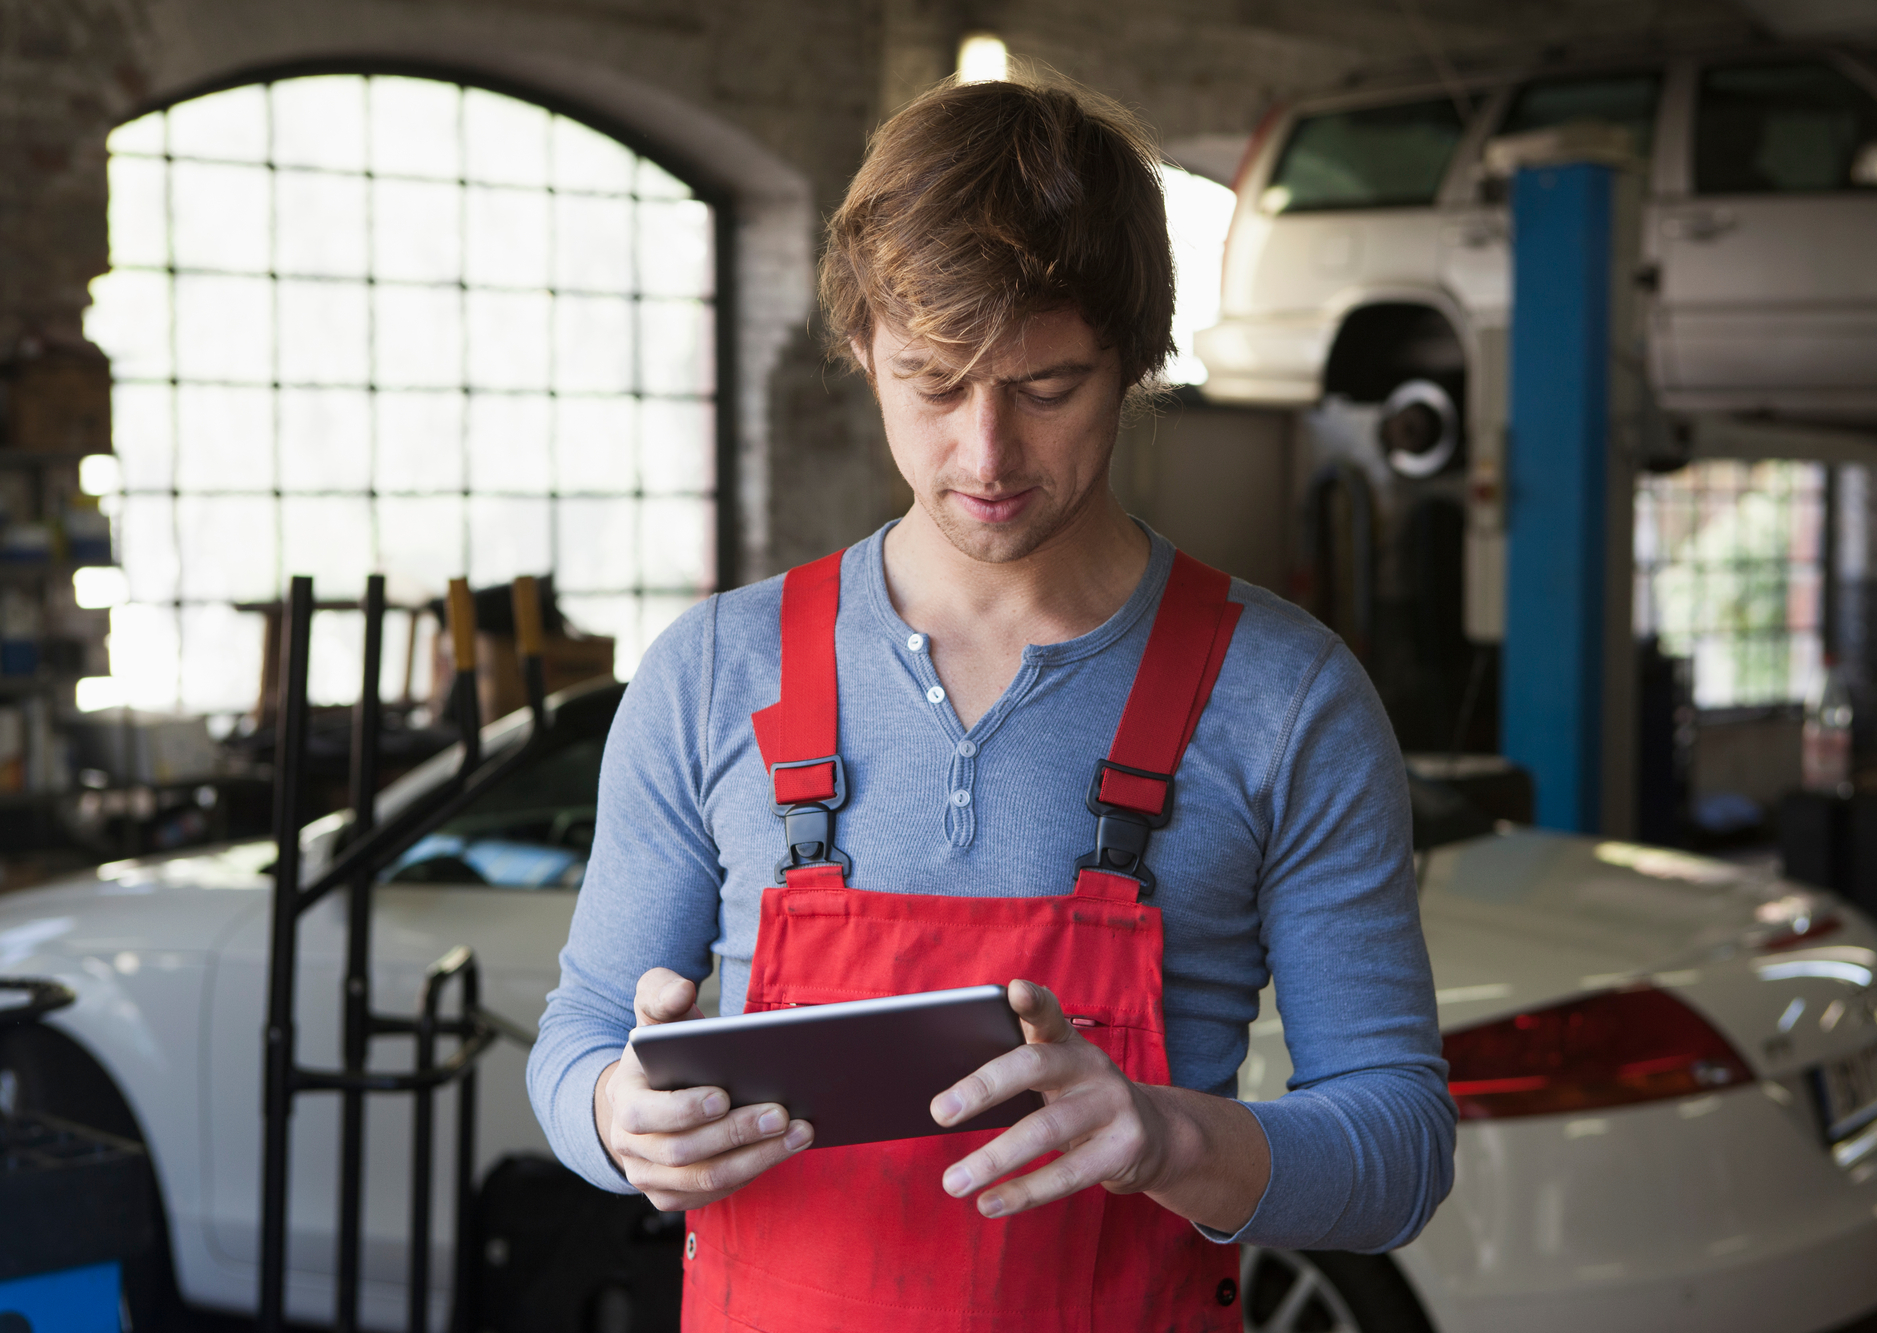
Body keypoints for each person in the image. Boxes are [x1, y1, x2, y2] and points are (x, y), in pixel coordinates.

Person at [529, 72, 1455, 1331]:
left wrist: (1165, 1138)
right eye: (929, 381)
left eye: (1045, 387)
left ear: (1133, 357)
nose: (984, 456)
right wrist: (612, 1116)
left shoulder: (1284, 699)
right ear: (860, 348)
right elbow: (580, 1031)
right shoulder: (710, 676)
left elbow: (1398, 1145)